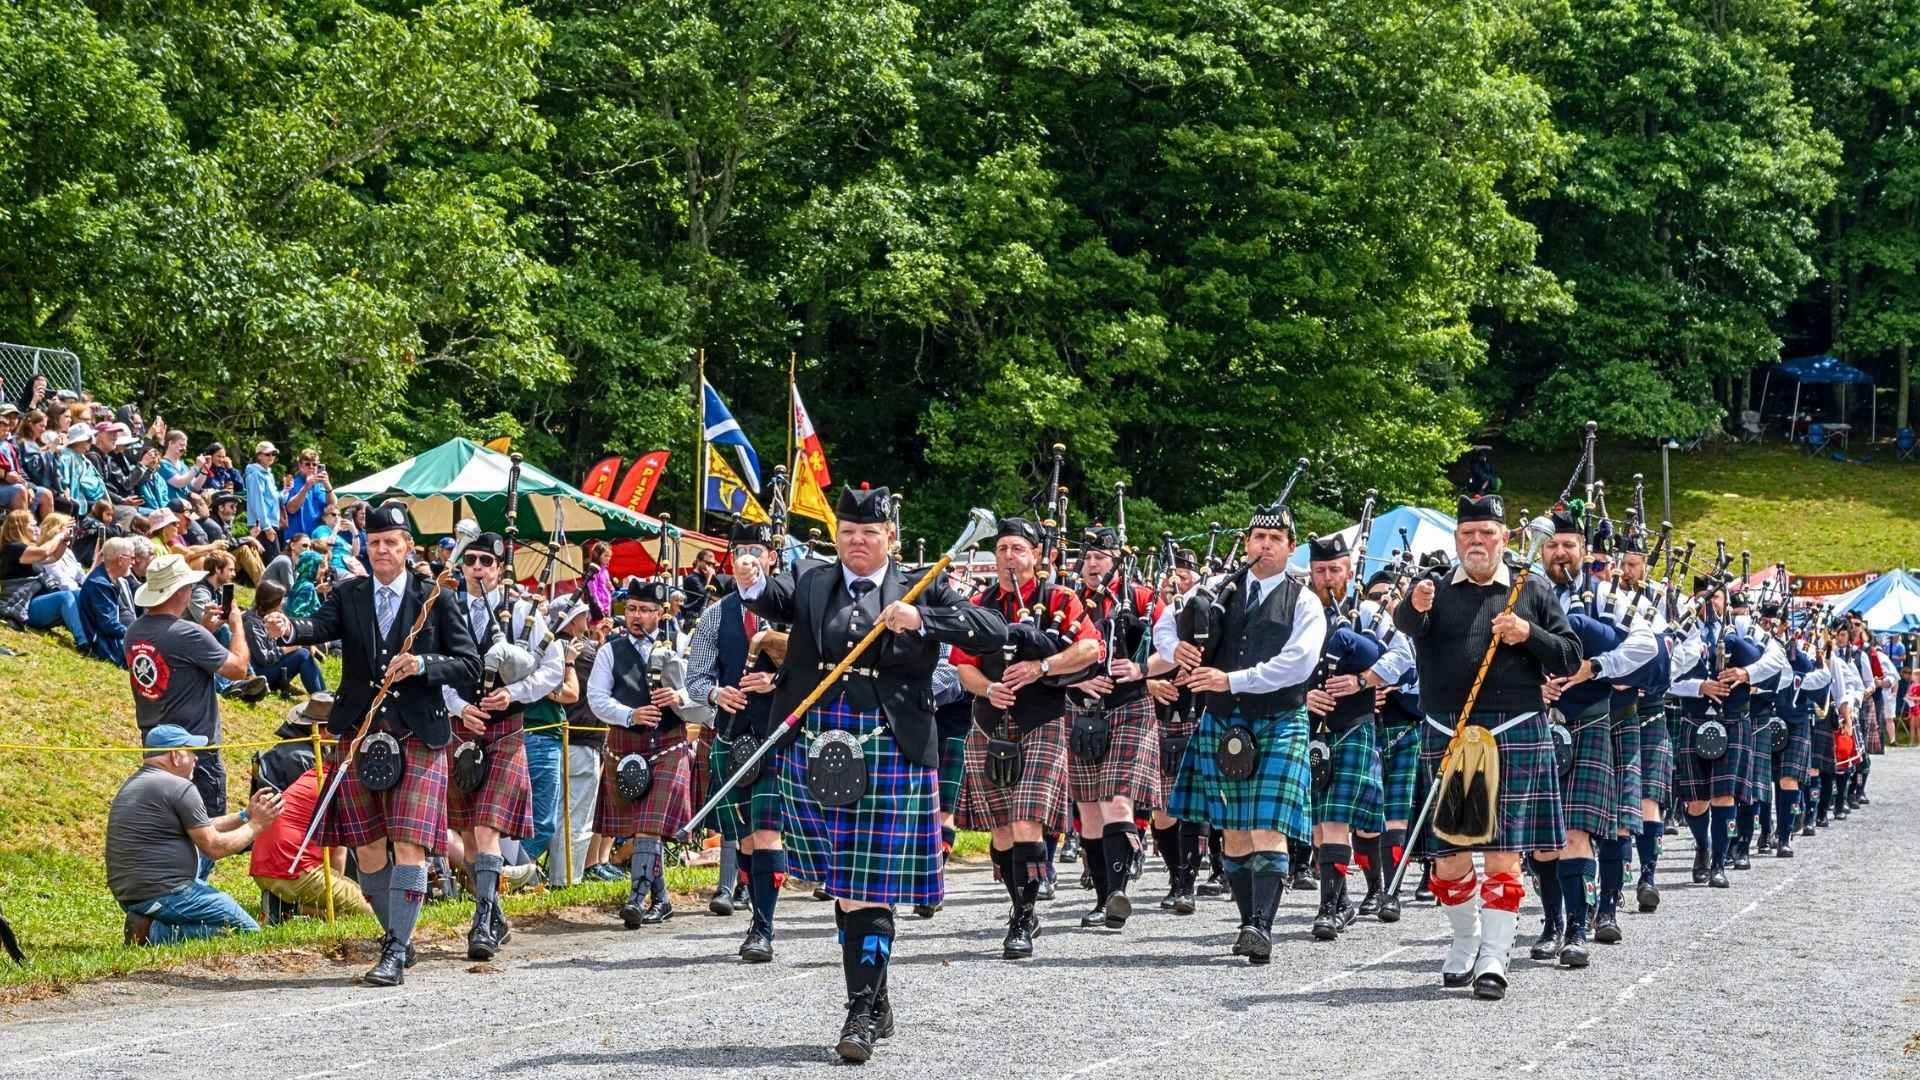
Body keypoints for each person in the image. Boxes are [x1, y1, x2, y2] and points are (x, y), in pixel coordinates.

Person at [737, 483, 1004, 1063]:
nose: (858, 542)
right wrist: (750, 573)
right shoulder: (812, 579)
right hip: (817, 742)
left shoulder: (921, 585)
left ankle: (859, 1012)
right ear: (836, 537)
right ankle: (874, 998)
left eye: (870, 533)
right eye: (848, 533)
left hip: (891, 749)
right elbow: (770, 596)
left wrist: (923, 618)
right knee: (844, 882)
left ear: (891, 538)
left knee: (867, 886)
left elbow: (992, 630)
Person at [264, 499, 482, 987]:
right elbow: (317, 627)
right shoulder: (351, 594)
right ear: (367, 545)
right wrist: (287, 630)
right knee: (366, 849)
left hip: (418, 733)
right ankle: (397, 936)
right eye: (375, 542)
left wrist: (423, 666)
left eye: (391, 542)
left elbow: (470, 667)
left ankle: (395, 948)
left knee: (408, 844)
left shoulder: (437, 597)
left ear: (407, 547)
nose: (382, 549)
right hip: (361, 732)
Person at [1394, 493, 1581, 1001]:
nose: (1476, 542)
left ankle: (1496, 959)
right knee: (1450, 857)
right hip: (1447, 731)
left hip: (1515, 728)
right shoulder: (1431, 588)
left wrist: (1527, 633)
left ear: (1504, 538)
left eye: (1487, 534)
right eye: (1467, 534)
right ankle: (1466, 938)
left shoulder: (1532, 588)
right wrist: (1412, 606)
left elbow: (1568, 656)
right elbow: (1405, 625)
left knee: (1504, 854)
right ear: (1456, 540)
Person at [1165, 499, 1326, 966]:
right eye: (1259, 537)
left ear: (1290, 549)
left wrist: (1231, 680)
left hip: (1278, 718)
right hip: (1223, 720)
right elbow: (1163, 625)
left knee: (1268, 826)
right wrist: (1177, 650)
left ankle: (1261, 926)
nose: (1266, 545)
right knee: (1233, 831)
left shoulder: (1304, 600)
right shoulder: (1220, 593)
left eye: (1277, 539)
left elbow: (1297, 663)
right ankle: (1246, 921)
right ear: (1246, 543)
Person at [952, 516, 1101, 960]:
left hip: (1043, 720)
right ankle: (1021, 905)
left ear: (1038, 556)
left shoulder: (1060, 598)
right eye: (1002, 550)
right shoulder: (980, 605)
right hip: (989, 720)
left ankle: (1023, 918)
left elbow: (1092, 649)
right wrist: (988, 687)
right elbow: (962, 665)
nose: (1008, 557)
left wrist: (1042, 667)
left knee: (1025, 820)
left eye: (1018, 549)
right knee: (1000, 832)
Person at [442, 530, 563, 960]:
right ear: (462, 565)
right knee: (470, 839)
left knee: (486, 829)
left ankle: (481, 927)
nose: (477, 568)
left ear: (499, 567)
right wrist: (457, 706)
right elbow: (434, 668)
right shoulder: (448, 608)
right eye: (471, 560)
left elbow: (555, 667)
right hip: (461, 730)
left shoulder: (525, 612)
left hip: (505, 729)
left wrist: (514, 694)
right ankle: (494, 915)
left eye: (486, 562)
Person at [685, 522, 787, 959]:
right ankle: (753, 901)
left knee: (767, 832)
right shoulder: (716, 613)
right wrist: (714, 692)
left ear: (771, 559)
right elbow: (695, 678)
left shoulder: (794, 609)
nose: (747, 556)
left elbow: (821, 668)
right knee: (745, 837)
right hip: (732, 733)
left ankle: (762, 928)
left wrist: (778, 680)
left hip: (781, 732)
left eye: (756, 550)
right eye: (740, 549)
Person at [1063, 526, 1170, 933]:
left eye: (1100, 557)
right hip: (1081, 709)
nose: (1092, 564)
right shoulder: (1065, 601)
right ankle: (1101, 896)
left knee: (1117, 802)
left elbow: (1174, 647)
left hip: (1129, 707)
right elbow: (1046, 653)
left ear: (1117, 561)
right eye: (1087, 557)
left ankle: (1116, 893)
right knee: (1089, 811)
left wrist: (1143, 669)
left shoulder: (1143, 600)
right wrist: (1074, 681)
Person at [588, 578, 702, 927]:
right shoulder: (611, 650)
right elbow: (595, 698)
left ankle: (636, 898)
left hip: (669, 743)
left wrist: (678, 697)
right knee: (642, 828)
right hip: (626, 747)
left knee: (649, 827)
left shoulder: (681, 645)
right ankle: (662, 899)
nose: (637, 616)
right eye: (632, 609)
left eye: (646, 610)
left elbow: (701, 694)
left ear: (661, 613)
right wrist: (629, 714)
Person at [108, 724, 284, 945]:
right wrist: (258, 825)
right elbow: (215, 847)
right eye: (191, 751)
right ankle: (152, 933)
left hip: (131, 892)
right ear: (175, 755)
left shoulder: (135, 783)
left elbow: (203, 827)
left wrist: (245, 815)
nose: (195, 759)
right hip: (164, 892)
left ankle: (148, 920)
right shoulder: (179, 787)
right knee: (247, 932)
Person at [1300, 532, 1387, 942]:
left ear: (1350, 572)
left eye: (1335, 569)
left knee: (1340, 819)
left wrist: (1362, 677)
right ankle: (1343, 902)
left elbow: (1400, 657)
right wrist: (1303, 696)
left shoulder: (1368, 612)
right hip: (1310, 725)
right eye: (1320, 570)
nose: (1328, 577)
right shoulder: (1298, 612)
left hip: (1353, 724)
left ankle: (1331, 908)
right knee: (1319, 823)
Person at [125, 554, 255, 814]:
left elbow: (176, 656)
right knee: (206, 828)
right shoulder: (188, 633)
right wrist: (237, 626)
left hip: (154, 745)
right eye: (189, 585)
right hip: (194, 750)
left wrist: (204, 629)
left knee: (165, 825)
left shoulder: (134, 631)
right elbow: (238, 669)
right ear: (180, 591)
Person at [250, 699, 376, 920]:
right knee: (373, 914)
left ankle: (288, 909)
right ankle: (291, 906)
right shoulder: (339, 784)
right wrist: (336, 885)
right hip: (293, 871)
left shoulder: (316, 773)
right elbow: (339, 849)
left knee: (350, 906)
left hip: (264, 867)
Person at [545, 595, 603, 885]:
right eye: (582, 615)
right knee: (577, 816)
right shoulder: (585, 651)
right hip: (582, 737)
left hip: (559, 737)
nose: (587, 619)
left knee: (557, 813)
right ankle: (567, 878)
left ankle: (555, 876)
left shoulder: (548, 647)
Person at [0, 508, 90, 646]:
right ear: (20, 527)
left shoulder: (24, 550)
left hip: (33, 604)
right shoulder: (13, 549)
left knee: (78, 593)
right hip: (22, 608)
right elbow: (44, 552)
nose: (37, 529)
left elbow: (53, 556)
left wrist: (65, 539)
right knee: (64, 597)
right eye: (33, 525)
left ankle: (93, 635)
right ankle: (84, 642)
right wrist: (59, 535)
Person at [244, 581, 326, 695]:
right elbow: (264, 659)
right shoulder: (251, 624)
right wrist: (289, 649)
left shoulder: (269, 616)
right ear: (273, 602)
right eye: (281, 601)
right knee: (302, 655)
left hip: (270, 668)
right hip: (260, 675)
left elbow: (285, 637)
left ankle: (323, 695)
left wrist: (307, 645)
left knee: (305, 653)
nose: (283, 604)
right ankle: (320, 697)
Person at [80, 536, 140, 665]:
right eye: (132, 558)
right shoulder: (100, 584)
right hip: (104, 645)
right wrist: (137, 634)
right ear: (120, 559)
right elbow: (108, 625)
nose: (133, 562)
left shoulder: (110, 579)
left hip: (110, 640)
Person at [244, 441, 284, 561]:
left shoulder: (269, 475)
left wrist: (286, 489)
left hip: (271, 523)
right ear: (259, 455)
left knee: (274, 562)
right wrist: (266, 527)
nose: (271, 457)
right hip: (262, 526)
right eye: (267, 454)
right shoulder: (255, 475)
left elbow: (276, 498)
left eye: (273, 454)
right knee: (272, 564)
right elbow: (257, 501)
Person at [284, 448, 332, 540]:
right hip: (297, 538)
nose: (311, 467)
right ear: (300, 466)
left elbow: (332, 505)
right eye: (307, 464)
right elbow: (291, 509)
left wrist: (328, 485)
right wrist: (306, 487)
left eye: (314, 464)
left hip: (318, 538)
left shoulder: (320, 485)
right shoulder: (292, 483)